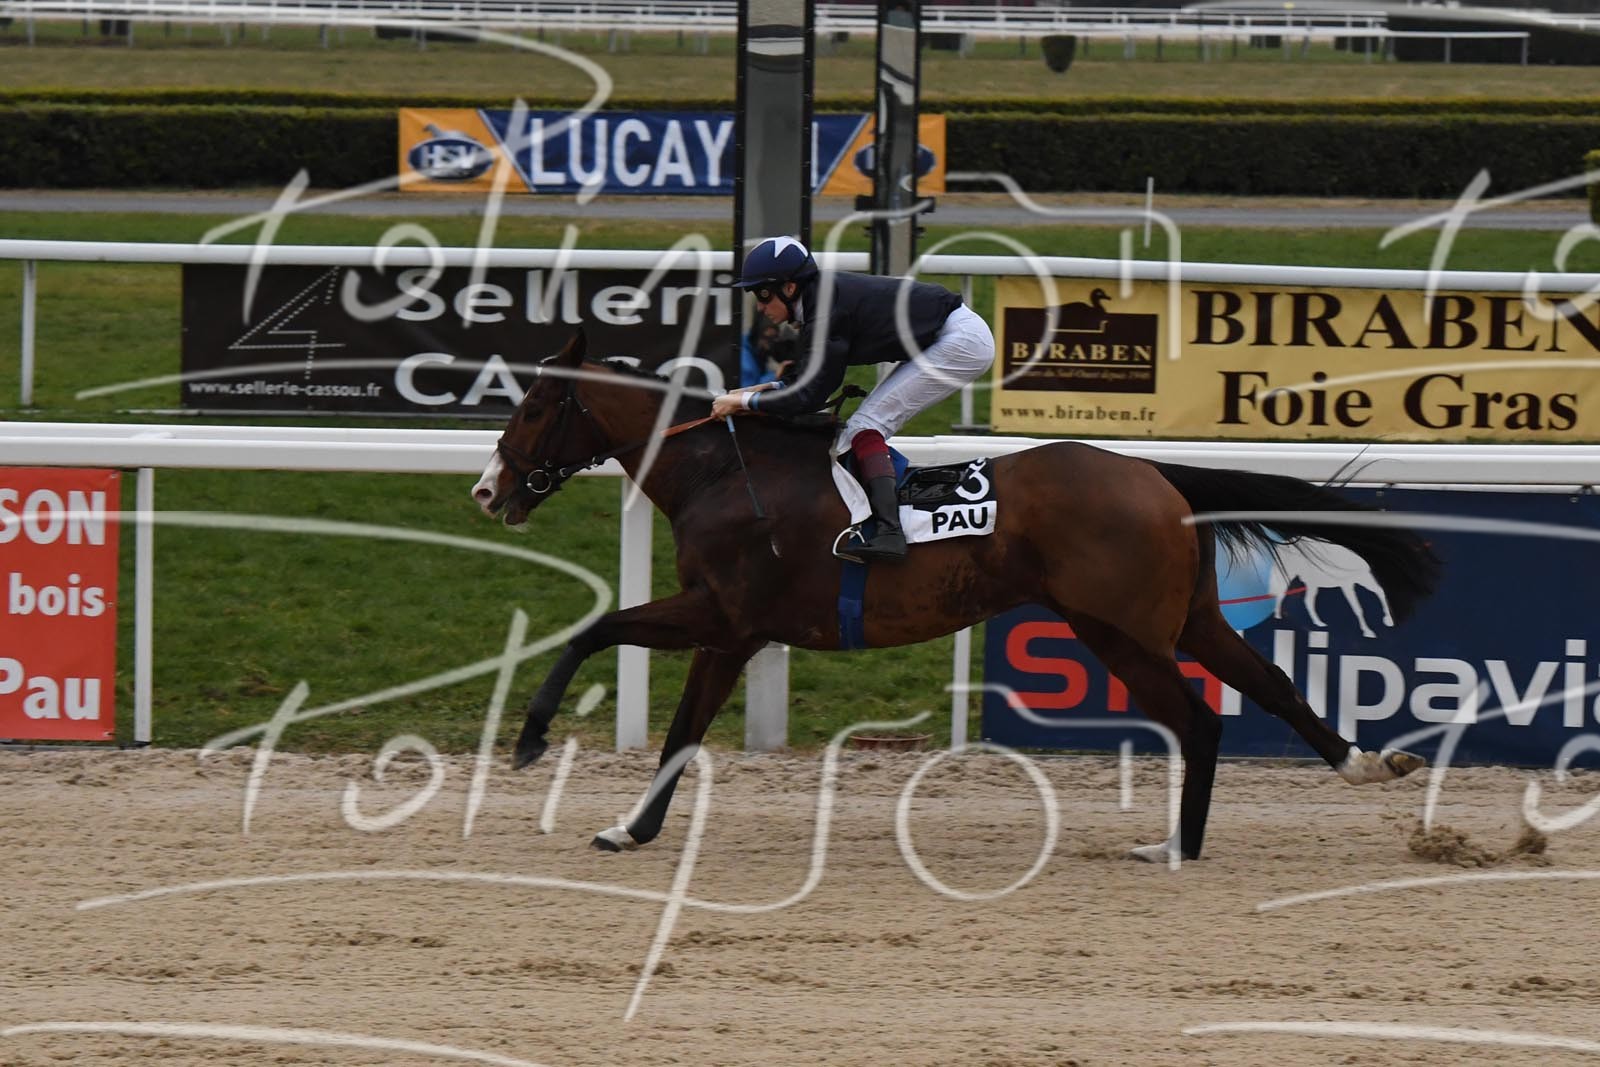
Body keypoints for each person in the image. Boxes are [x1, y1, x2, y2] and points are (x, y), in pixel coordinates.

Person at [711, 236, 995, 563]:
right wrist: (757, 392)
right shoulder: (817, 303)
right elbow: (808, 379)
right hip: (945, 336)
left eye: (763, 294)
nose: (760, 307)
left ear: (789, 288)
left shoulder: (825, 310)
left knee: (864, 428)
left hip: (960, 342)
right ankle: (890, 518)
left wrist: (745, 403)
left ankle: (891, 532)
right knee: (863, 428)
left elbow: (809, 395)